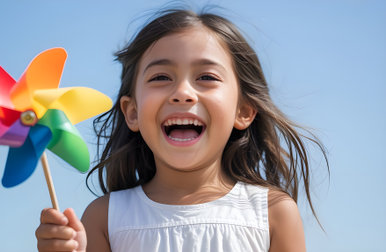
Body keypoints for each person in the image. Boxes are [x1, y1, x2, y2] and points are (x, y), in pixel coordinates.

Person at [35, 9, 328, 252]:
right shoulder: (104, 217)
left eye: (206, 77)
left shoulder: (273, 213)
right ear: (132, 113)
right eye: (161, 77)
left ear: (244, 111)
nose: (183, 93)